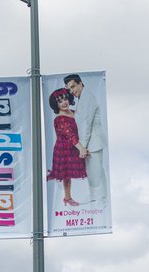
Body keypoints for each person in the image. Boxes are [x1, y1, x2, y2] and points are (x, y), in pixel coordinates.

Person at [64, 74, 107, 206]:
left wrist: (82, 147)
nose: (72, 91)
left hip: (92, 142)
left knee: (95, 172)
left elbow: (86, 125)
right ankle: (96, 198)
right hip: (91, 142)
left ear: (80, 83)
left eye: (73, 87)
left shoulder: (87, 98)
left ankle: (100, 200)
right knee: (94, 172)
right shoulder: (83, 99)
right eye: (69, 89)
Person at [45, 88, 86, 207]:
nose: (64, 102)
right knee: (66, 175)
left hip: (74, 147)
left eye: (65, 99)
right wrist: (81, 149)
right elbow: (70, 135)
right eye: (59, 101)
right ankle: (67, 198)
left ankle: (68, 198)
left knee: (73, 173)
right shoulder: (60, 119)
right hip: (64, 150)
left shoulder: (73, 112)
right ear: (56, 104)